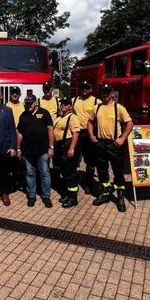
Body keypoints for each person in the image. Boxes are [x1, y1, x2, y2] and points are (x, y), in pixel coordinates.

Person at [87, 83, 133, 212]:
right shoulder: (96, 108)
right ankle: (105, 194)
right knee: (102, 171)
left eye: (108, 91)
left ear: (112, 93)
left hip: (114, 145)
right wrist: (91, 136)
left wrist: (122, 138)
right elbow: (90, 122)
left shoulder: (119, 108)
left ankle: (120, 198)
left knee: (118, 173)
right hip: (100, 144)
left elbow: (129, 123)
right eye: (103, 91)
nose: (105, 94)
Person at [17, 94, 54, 208]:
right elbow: (19, 133)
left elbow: (50, 130)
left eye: (30, 103)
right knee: (30, 174)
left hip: (42, 150)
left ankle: (46, 196)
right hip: (27, 151)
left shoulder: (44, 113)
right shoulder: (23, 115)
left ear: (35, 103)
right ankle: (32, 196)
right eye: (26, 103)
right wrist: (18, 148)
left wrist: (51, 147)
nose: (28, 106)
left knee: (45, 173)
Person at [72, 81, 101, 195]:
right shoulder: (74, 100)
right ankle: (73, 183)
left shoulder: (96, 101)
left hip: (89, 134)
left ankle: (88, 184)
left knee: (91, 161)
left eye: (87, 87)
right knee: (74, 159)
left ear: (91, 89)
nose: (84, 89)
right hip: (77, 133)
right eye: (82, 87)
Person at [53, 97, 80, 208]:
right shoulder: (59, 117)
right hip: (59, 146)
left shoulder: (73, 117)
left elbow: (76, 133)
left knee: (70, 172)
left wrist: (72, 148)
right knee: (63, 171)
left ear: (70, 106)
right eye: (62, 104)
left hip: (67, 145)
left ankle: (73, 198)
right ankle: (67, 194)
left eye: (66, 104)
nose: (63, 105)